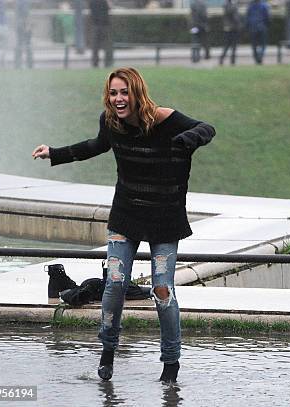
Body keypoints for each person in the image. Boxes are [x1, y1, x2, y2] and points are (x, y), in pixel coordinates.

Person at [31, 67, 216, 383]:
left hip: (164, 219)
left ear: (137, 93)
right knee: (115, 283)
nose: (118, 99)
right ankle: (106, 354)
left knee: (162, 291)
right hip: (126, 215)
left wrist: (188, 138)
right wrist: (55, 153)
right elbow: (95, 145)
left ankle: (170, 365)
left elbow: (207, 128)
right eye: (113, 92)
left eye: (124, 92)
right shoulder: (111, 123)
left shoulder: (165, 119)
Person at [89, 0, 113, 67]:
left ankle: (95, 63)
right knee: (107, 45)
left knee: (95, 46)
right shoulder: (104, 1)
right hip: (104, 25)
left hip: (96, 25)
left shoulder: (92, 2)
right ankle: (107, 63)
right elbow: (110, 7)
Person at [246, 0, 270, 65]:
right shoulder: (264, 5)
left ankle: (256, 58)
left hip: (253, 28)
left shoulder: (250, 6)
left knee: (254, 45)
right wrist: (267, 25)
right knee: (263, 44)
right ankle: (260, 56)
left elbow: (247, 17)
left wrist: (247, 27)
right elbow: (267, 16)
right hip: (262, 27)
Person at [220, 0, 241, 65]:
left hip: (227, 28)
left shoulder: (225, 5)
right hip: (233, 28)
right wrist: (239, 25)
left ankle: (222, 59)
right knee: (233, 45)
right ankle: (232, 61)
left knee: (226, 45)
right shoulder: (233, 6)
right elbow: (236, 17)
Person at [14, 0, 33, 68]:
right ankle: (29, 64)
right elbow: (26, 13)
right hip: (23, 25)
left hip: (19, 25)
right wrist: (28, 25)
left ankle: (18, 64)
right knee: (27, 45)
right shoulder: (23, 2)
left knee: (19, 44)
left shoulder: (19, 2)